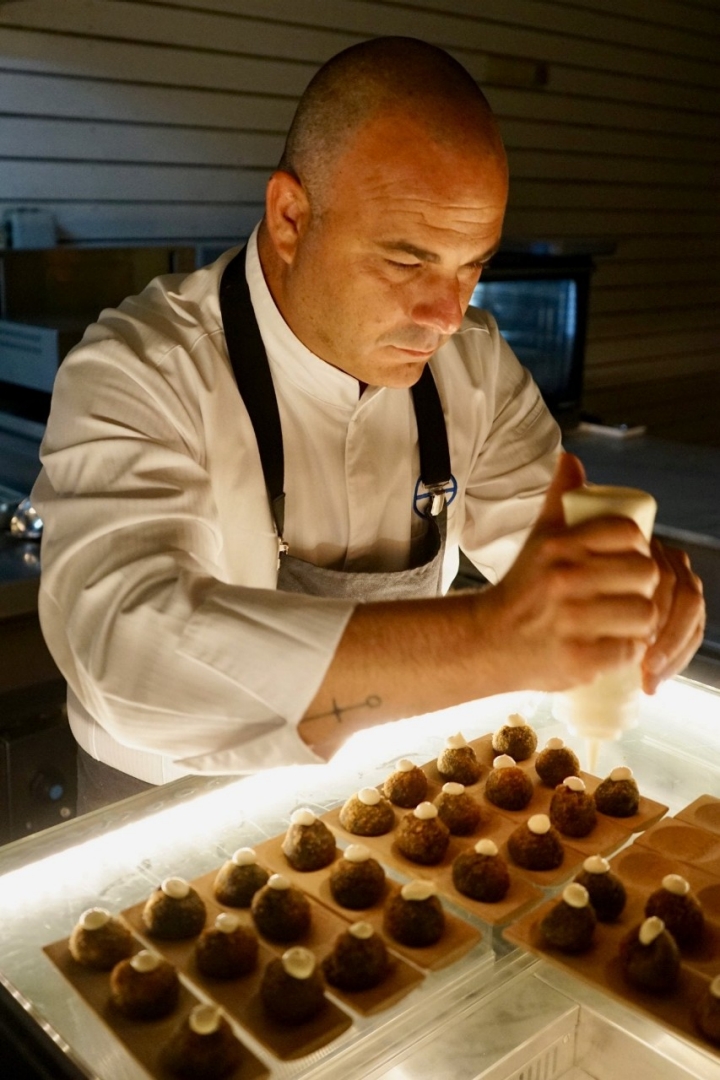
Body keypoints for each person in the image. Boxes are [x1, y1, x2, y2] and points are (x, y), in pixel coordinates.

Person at [31, 37, 704, 811]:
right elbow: (127, 654)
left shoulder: (474, 368)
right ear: (289, 216)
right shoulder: (139, 367)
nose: (446, 315)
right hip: (161, 817)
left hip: (391, 795)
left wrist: (629, 595)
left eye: (472, 265)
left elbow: (552, 546)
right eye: (407, 261)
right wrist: (489, 640)